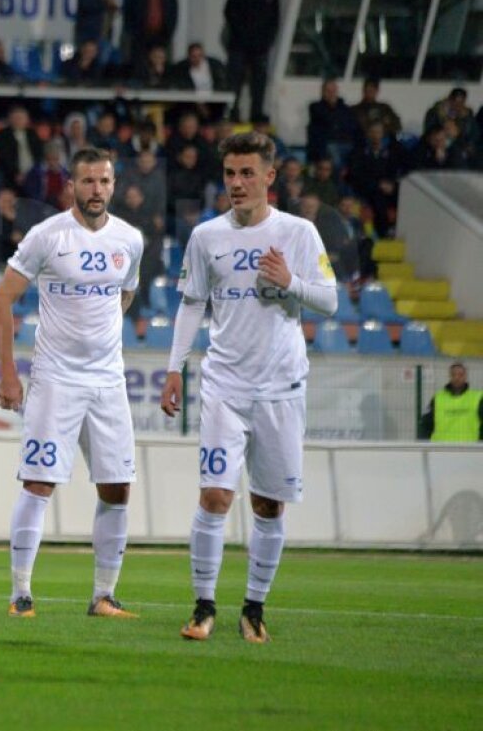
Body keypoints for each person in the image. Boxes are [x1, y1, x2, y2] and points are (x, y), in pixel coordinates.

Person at [160, 131, 338, 644]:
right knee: (215, 496)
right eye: (229, 174)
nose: (236, 184)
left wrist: (290, 283)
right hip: (224, 386)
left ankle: (254, 608)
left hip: (282, 388)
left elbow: (328, 302)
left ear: (269, 177)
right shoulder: (206, 237)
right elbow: (192, 302)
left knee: (268, 506)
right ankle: (203, 606)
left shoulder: (299, 233)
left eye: (246, 173)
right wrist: (176, 368)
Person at [0, 147, 144, 619]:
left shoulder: (130, 239)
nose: (96, 190)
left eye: (104, 182)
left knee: (117, 487)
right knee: (39, 484)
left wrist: (104, 333)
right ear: (71, 186)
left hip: (108, 381)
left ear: (113, 185)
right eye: (87, 182)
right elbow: (1, 302)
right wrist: (9, 375)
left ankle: (103, 596)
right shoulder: (47, 236)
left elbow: (128, 289)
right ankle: (20, 595)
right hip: (55, 379)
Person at [223, 0, 280, 122]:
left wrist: (266, 40)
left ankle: (257, 113)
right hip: (239, 45)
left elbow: (274, 20)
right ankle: (233, 112)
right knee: (235, 81)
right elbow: (229, 12)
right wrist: (240, 32)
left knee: (259, 83)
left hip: (260, 47)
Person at [419, 363, 483, 442]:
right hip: (441, 448)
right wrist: (423, 447)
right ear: (449, 376)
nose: (457, 378)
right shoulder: (438, 398)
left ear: (465, 377)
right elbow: (425, 425)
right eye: (453, 375)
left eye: (460, 375)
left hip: (469, 448)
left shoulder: (478, 398)